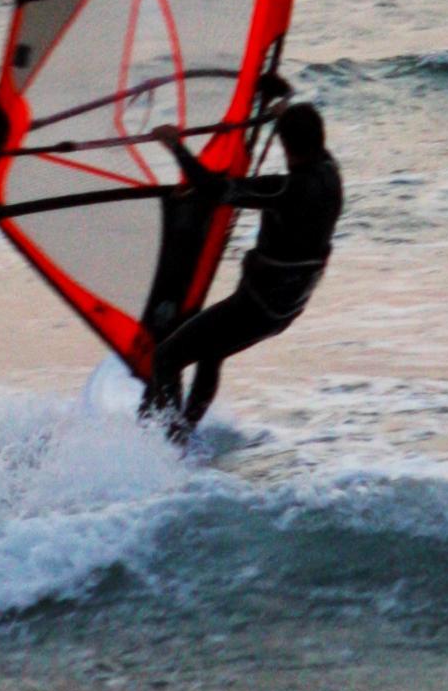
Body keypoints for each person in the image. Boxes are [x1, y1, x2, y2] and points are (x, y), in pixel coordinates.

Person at [141, 93, 343, 441]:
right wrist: (283, 117)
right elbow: (304, 142)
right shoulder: (331, 174)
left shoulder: (285, 189)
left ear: (286, 144)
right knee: (211, 352)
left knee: (165, 359)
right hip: (287, 306)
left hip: (258, 306)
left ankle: (170, 444)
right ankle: (185, 434)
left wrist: (175, 146)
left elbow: (214, 190)